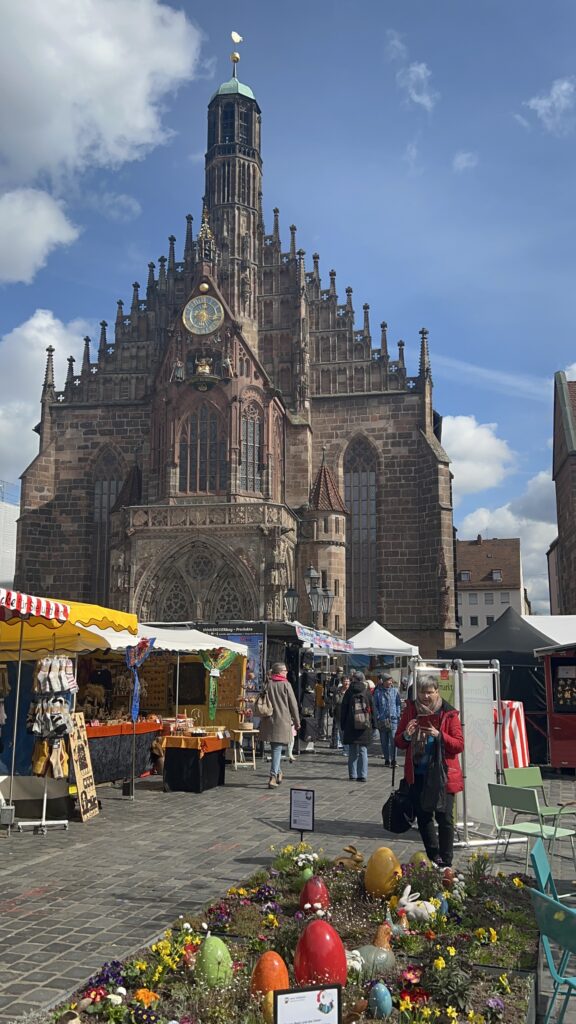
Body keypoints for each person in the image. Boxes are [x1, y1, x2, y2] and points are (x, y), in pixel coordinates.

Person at [394, 674, 464, 866]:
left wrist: (439, 735)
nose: (425, 696)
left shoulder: (449, 713)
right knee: (424, 816)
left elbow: (458, 745)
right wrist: (407, 736)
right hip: (418, 774)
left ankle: (447, 861)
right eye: (422, 692)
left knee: (445, 818)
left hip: (443, 775)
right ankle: (435, 857)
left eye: (429, 692)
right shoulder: (410, 711)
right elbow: (398, 741)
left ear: (437, 692)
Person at [258, 662, 300, 789]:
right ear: (279, 672)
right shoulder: (286, 685)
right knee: (276, 749)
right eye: (285, 670)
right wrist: (297, 721)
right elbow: (293, 704)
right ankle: (272, 776)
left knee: (275, 747)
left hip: (268, 720)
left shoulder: (268, 685)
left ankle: (279, 772)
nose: (287, 672)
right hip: (282, 721)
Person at [340, 671, 375, 782]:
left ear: (353, 679)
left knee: (352, 750)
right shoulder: (367, 691)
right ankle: (363, 775)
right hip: (364, 725)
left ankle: (353, 774)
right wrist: (374, 724)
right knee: (363, 750)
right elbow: (373, 709)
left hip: (351, 725)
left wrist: (343, 724)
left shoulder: (349, 692)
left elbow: (343, 709)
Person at [373, 673, 401, 766]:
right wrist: (378, 715)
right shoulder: (378, 692)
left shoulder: (395, 691)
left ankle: (394, 759)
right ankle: (386, 759)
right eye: (388, 680)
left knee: (393, 740)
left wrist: (397, 714)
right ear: (384, 681)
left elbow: (398, 704)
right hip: (382, 719)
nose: (390, 682)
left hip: (393, 719)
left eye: (391, 680)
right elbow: (375, 705)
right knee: (384, 741)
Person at [331, 675, 350, 753]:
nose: (347, 682)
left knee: (347, 732)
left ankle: (347, 749)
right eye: (345, 681)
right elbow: (335, 702)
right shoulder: (337, 691)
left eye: (348, 681)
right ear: (342, 682)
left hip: (348, 715)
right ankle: (345, 747)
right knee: (341, 732)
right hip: (339, 715)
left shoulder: (351, 691)